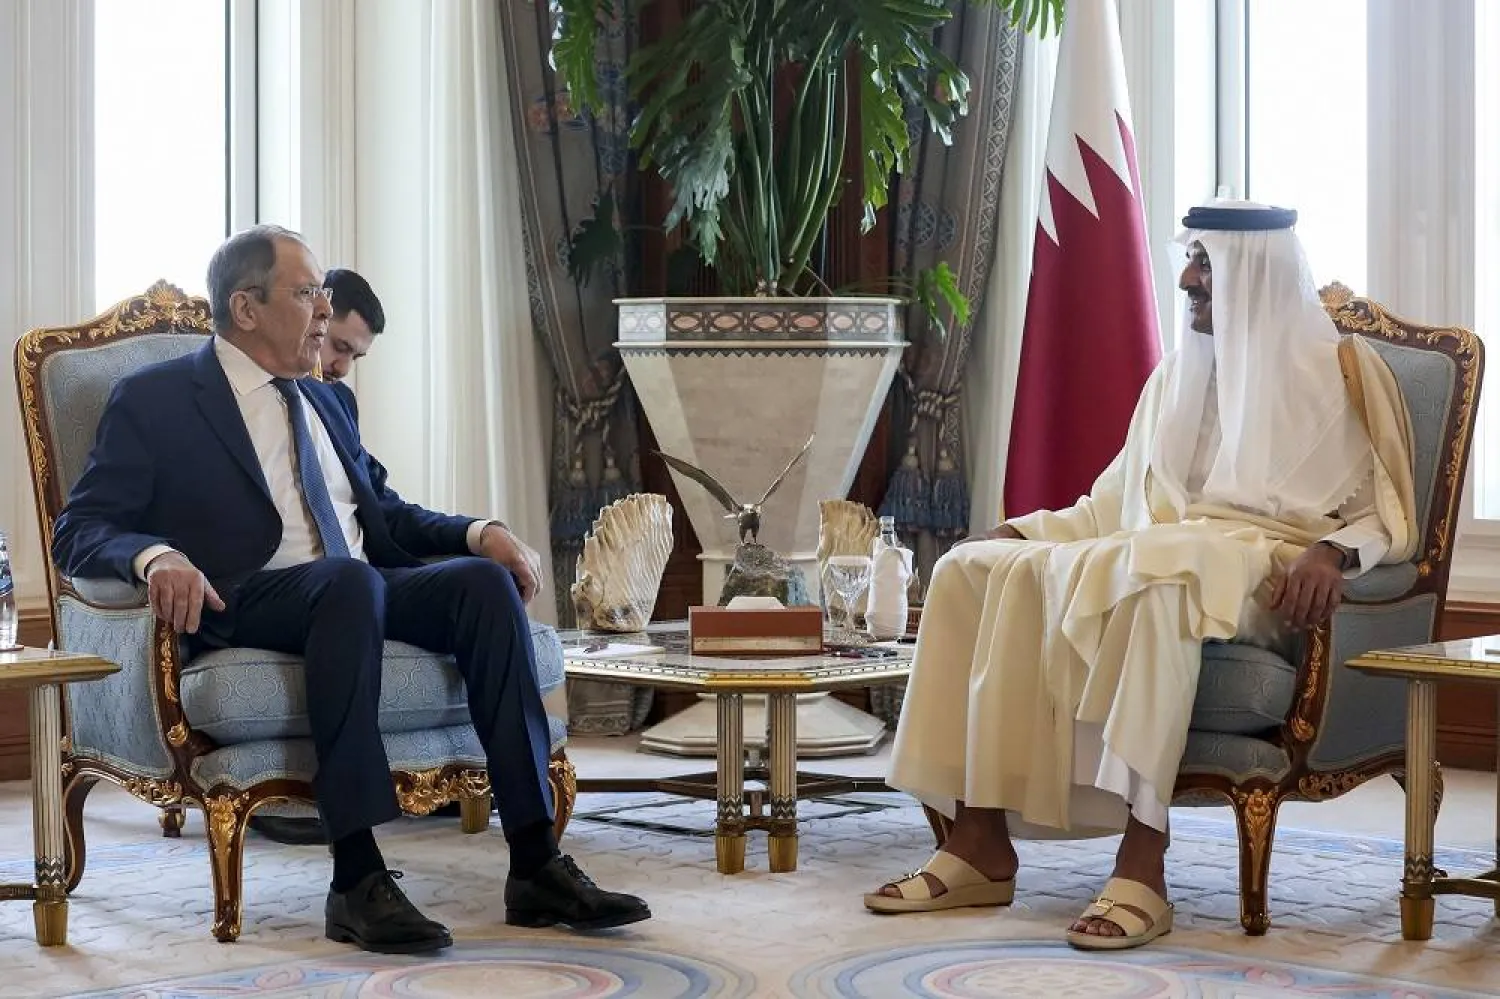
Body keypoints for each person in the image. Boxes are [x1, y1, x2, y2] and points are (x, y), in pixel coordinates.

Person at [52, 224, 650, 954]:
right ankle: (357, 877)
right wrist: (154, 555)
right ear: (246, 308)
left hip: (354, 584)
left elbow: (385, 513)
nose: (324, 313)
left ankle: (535, 862)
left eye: (323, 294)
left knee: (482, 586)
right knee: (346, 584)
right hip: (248, 596)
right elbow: (79, 527)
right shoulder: (157, 399)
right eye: (307, 294)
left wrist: (477, 532)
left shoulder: (327, 401)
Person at [863, 200, 1416, 951]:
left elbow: (1389, 512)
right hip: (1158, 552)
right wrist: (1022, 532)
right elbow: (1113, 506)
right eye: (1189, 258)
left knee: (1159, 575)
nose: (1187, 277)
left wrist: (1334, 553)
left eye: (1205, 265)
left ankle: (1142, 862)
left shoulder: (1346, 374)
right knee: (972, 569)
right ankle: (977, 843)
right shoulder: (1175, 379)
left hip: (1268, 568)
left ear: (1253, 275)